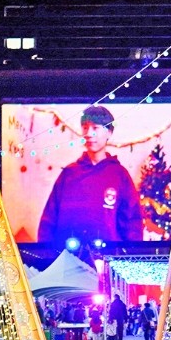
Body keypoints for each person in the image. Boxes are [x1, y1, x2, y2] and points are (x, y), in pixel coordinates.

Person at [37, 105, 144, 247]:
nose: (89, 133)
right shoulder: (69, 174)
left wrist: (130, 257)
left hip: (108, 258)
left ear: (109, 132)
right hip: (68, 259)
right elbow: (49, 220)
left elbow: (132, 222)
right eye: (85, 128)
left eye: (95, 128)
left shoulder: (120, 175)